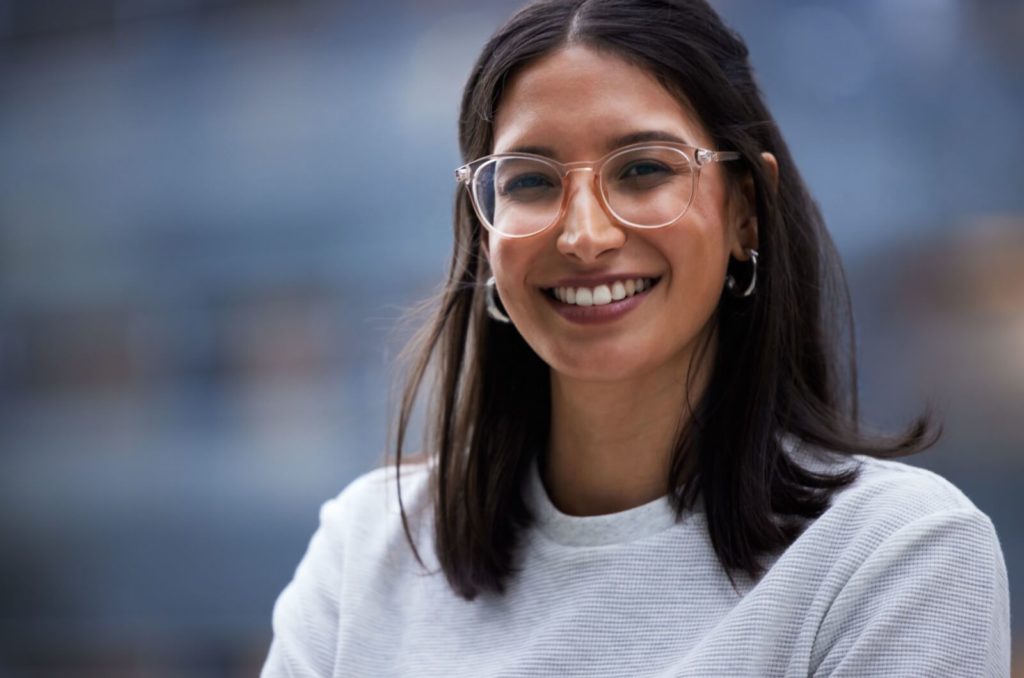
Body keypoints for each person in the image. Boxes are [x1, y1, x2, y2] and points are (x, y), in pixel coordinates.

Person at [261, 0, 1011, 675]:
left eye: (644, 169)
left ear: (746, 211)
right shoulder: (367, 551)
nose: (585, 235)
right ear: (484, 232)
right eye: (528, 181)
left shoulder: (896, 556)